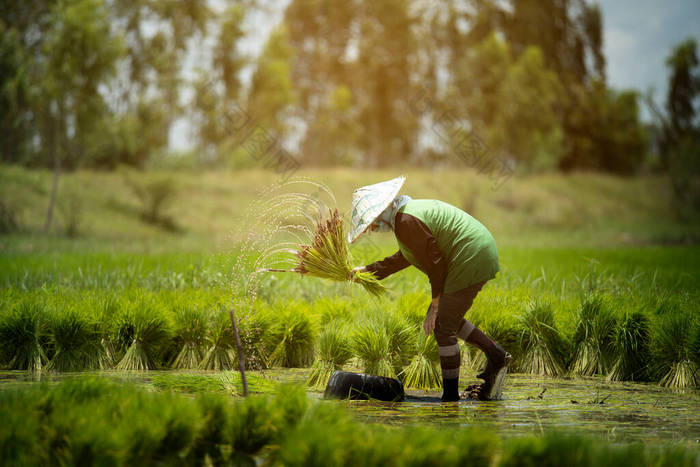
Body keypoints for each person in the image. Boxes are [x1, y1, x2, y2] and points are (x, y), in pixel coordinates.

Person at [348, 176, 510, 402]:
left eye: (372, 221)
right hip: (475, 251)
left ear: (384, 208)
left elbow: (436, 264)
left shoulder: (406, 221)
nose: (373, 228)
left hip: (470, 254)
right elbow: (403, 258)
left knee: (442, 325)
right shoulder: (406, 217)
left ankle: (451, 397)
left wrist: (434, 305)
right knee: (448, 318)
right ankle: (495, 354)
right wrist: (366, 270)